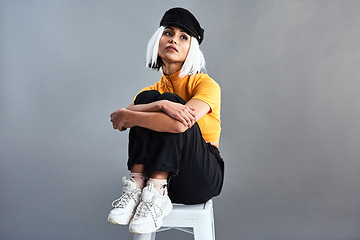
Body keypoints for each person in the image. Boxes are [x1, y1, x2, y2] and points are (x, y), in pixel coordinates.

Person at [107, 7, 224, 234]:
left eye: (183, 37)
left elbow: (179, 124)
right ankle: (136, 187)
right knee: (150, 98)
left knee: (169, 101)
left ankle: (156, 191)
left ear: (192, 48)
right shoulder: (151, 92)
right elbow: (120, 123)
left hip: (200, 177)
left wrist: (137, 112)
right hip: (169, 182)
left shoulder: (205, 84)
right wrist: (158, 105)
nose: (173, 40)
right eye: (168, 33)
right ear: (158, 39)